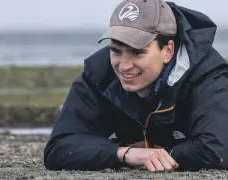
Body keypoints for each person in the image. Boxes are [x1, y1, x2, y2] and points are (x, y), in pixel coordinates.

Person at [43, 0, 228, 172]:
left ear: (168, 51)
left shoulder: (208, 77)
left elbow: (218, 150)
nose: (124, 65)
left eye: (138, 52)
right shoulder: (100, 74)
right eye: (116, 50)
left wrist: (165, 154)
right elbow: (59, 148)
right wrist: (126, 153)